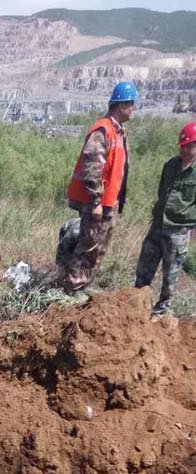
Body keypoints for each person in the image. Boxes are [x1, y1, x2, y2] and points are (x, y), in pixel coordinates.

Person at [61, 81, 137, 292]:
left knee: (98, 247)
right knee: (88, 245)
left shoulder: (119, 131)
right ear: (122, 106)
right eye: (132, 105)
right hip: (98, 204)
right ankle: (73, 286)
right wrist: (95, 202)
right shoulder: (103, 130)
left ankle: (83, 284)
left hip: (109, 203)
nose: (134, 109)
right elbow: (92, 167)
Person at [135, 121, 196, 314]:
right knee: (144, 267)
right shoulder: (170, 165)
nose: (185, 150)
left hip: (178, 229)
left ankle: (162, 312)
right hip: (158, 225)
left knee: (170, 275)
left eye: (189, 146)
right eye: (183, 146)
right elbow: (163, 191)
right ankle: (137, 304)